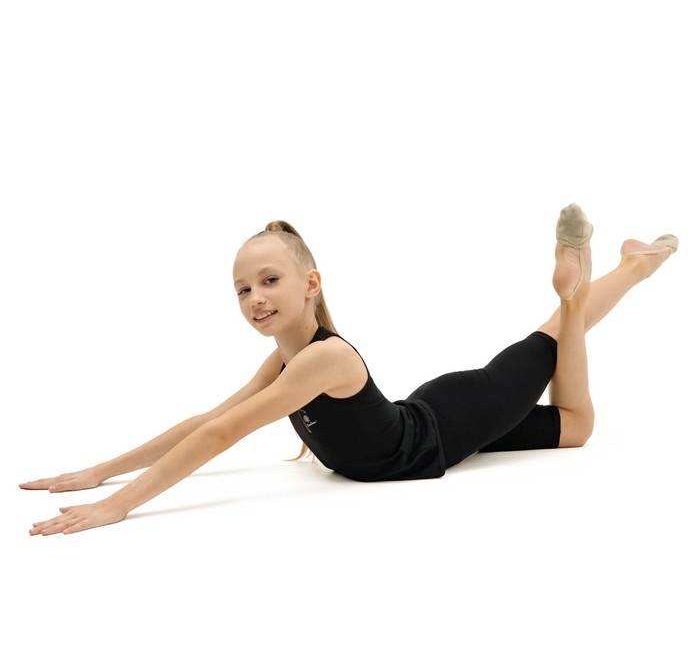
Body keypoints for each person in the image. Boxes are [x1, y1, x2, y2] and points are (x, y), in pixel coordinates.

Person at [21, 205, 678, 535]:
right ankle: (635, 264)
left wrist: (117, 506)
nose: (254, 299)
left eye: (269, 280)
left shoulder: (323, 357)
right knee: (571, 418)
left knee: (564, 378)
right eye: (242, 289)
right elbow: (210, 419)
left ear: (310, 284)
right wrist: (100, 469)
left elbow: (222, 435)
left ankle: (580, 288)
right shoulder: (287, 358)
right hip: (429, 416)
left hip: (455, 421)